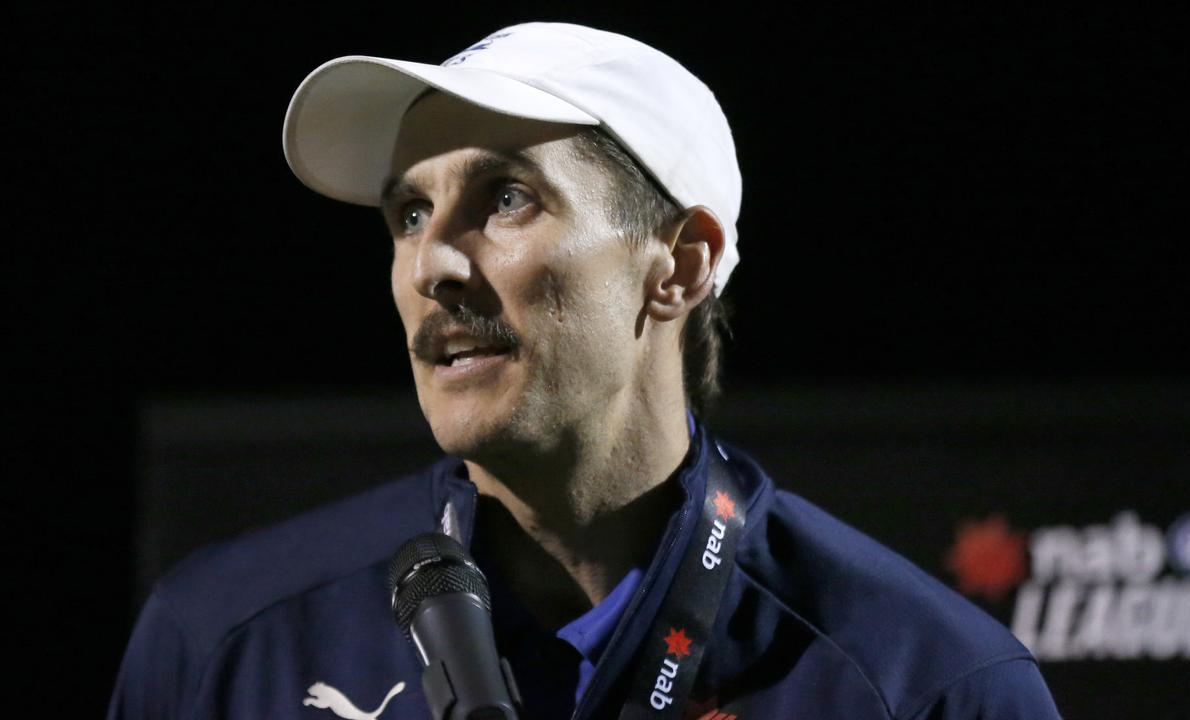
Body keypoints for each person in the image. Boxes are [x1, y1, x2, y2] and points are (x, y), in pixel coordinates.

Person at [109, 22, 1060, 720]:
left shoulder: (927, 682)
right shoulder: (223, 639)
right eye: (407, 214)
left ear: (679, 264)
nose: (430, 263)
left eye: (507, 197)